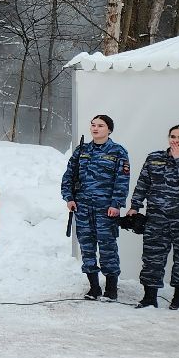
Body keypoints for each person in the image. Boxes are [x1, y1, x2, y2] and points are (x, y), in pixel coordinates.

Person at [128, 124, 179, 309]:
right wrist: (134, 206)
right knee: (152, 259)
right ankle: (149, 298)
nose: (175, 141)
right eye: (172, 136)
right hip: (157, 219)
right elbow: (143, 183)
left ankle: (178, 300)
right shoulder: (154, 158)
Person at [62, 114, 131, 300]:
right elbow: (68, 176)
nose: (95, 128)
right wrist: (69, 198)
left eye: (100, 125)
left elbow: (122, 181)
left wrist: (116, 204)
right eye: (93, 125)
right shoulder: (81, 150)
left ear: (109, 129)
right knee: (87, 248)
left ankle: (111, 289)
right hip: (82, 208)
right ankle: (94, 288)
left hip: (106, 209)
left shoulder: (118, 152)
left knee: (108, 248)